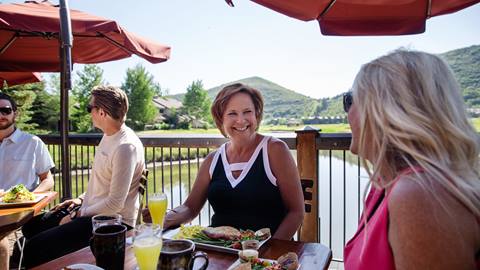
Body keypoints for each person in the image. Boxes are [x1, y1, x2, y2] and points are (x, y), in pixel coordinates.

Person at [343, 50, 480, 269]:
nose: (347, 113)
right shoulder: (384, 184)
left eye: (350, 100)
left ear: (386, 111)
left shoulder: (421, 194)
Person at [144, 83, 304, 240]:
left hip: (263, 258)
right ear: (221, 119)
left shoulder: (275, 150)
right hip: (217, 252)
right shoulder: (212, 160)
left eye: (247, 112)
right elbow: (190, 208)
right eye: (232, 113)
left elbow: (296, 212)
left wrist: (267, 253)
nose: (241, 120)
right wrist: (165, 218)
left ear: (256, 115)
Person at [18, 85, 145, 268]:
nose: (89, 113)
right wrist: (79, 200)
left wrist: (78, 214)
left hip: (111, 222)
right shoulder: (109, 135)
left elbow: (114, 204)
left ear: (101, 112)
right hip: (91, 211)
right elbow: (102, 184)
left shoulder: (126, 147)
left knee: (34, 248)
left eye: (89, 108)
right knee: (31, 226)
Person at [0, 92, 55, 192]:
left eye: (5, 110)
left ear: (15, 114)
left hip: (22, 205)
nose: (0, 115)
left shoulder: (33, 143)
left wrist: (30, 197)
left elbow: (48, 180)